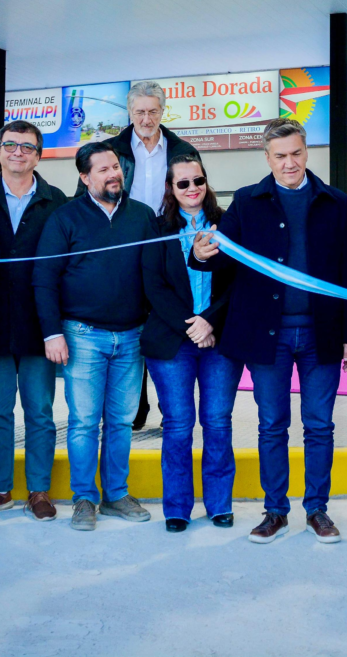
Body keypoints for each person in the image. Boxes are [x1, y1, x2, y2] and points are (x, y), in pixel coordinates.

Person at [191, 118, 347, 545]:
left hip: (322, 333)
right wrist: (201, 253)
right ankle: (275, 511)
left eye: (296, 153)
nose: (290, 163)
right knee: (271, 425)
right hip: (268, 336)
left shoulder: (334, 201)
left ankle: (317, 509)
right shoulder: (247, 201)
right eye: (280, 156)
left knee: (319, 425)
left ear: (307, 152)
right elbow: (222, 258)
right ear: (267, 158)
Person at [33, 141, 157, 531]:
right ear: (85, 177)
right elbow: (44, 278)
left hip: (132, 337)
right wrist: (52, 333)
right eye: (103, 170)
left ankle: (116, 495)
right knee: (85, 421)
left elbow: (155, 274)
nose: (113, 174)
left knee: (121, 422)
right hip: (82, 335)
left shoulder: (142, 215)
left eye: (116, 167)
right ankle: (84, 499)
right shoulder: (65, 218)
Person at [76, 81, 199, 431]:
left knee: (163, 315)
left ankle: (169, 404)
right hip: (123, 240)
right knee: (130, 320)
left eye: (153, 111)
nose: (146, 118)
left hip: (167, 241)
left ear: (163, 111)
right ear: (130, 112)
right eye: (139, 111)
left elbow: (194, 194)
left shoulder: (182, 150)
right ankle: (135, 409)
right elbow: (85, 198)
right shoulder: (110, 150)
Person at [141, 154, 242, 533]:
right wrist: (192, 326)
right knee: (179, 425)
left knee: (217, 422)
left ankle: (219, 505)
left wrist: (210, 320)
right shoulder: (157, 229)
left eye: (198, 180)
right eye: (182, 183)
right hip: (173, 341)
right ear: (171, 188)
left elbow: (238, 281)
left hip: (219, 338)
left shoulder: (228, 223)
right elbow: (153, 286)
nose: (192, 188)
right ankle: (177, 508)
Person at [0, 120, 68, 521]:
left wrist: (56, 325)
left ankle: (38, 490)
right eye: (10, 145)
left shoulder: (56, 200)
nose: (18, 152)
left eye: (27, 147)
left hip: (38, 324)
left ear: (38, 155)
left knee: (40, 411)